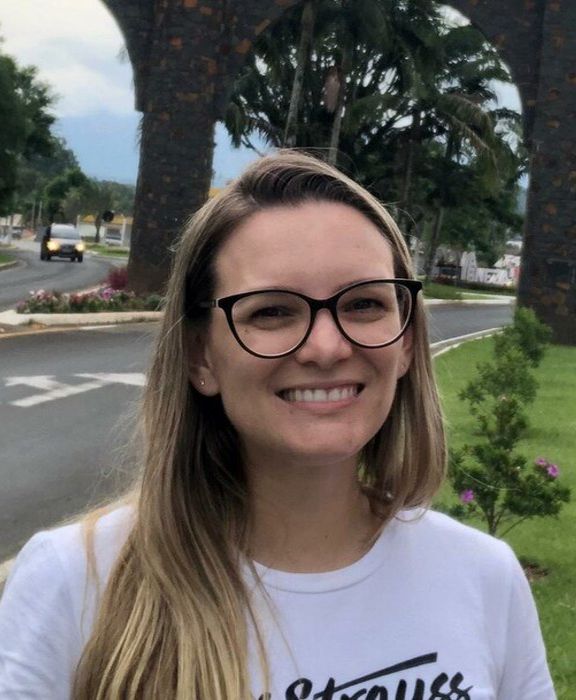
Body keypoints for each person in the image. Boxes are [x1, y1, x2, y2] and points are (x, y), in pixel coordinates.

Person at [0, 151, 555, 699]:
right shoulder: (74, 586)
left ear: (407, 340)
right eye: (271, 311)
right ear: (200, 356)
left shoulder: (484, 579)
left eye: (364, 304)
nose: (327, 347)